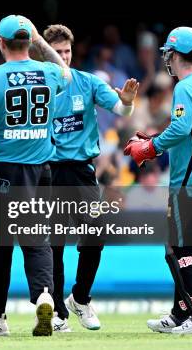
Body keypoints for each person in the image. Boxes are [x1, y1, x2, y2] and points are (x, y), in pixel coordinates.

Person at [0, 15, 71, 337]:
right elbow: (66, 72)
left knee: (0, 247)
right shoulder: (49, 72)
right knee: (38, 240)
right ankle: (43, 295)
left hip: (3, 171)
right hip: (41, 169)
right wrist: (41, 42)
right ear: (29, 43)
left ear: (1, 43)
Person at [124, 27, 192, 334]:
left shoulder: (184, 86)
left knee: (179, 250)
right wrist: (154, 137)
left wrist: (149, 148)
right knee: (191, 253)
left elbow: (181, 130)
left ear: (175, 55)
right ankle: (180, 315)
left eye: (168, 53)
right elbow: (190, 130)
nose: (167, 58)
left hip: (189, 182)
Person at [42, 24, 138, 332]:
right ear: (45, 55)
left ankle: (79, 298)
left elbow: (122, 110)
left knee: (95, 235)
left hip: (82, 171)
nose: (64, 57)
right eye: (57, 53)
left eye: (67, 51)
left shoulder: (87, 82)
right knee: (54, 244)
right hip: (50, 171)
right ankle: (57, 310)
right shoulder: (39, 87)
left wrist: (127, 100)